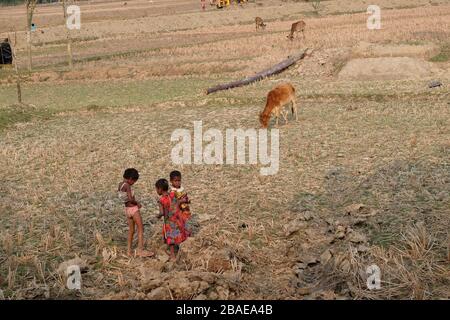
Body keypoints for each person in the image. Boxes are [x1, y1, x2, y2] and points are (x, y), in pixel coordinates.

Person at [118, 168, 153, 257]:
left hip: (127, 209)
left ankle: (129, 250)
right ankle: (140, 250)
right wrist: (138, 203)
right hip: (133, 209)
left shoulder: (120, 185)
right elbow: (130, 198)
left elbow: (125, 198)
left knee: (131, 230)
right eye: (134, 181)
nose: (133, 183)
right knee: (141, 228)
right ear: (130, 179)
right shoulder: (127, 186)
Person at [155, 178, 187, 261]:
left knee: (170, 237)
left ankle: (172, 255)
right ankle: (181, 250)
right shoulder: (172, 195)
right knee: (178, 233)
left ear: (160, 189)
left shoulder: (161, 200)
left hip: (168, 221)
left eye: (156, 189)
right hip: (176, 218)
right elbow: (178, 201)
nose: (156, 191)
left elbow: (162, 213)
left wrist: (158, 216)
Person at [169, 170, 192, 237]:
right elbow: (173, 203)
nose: (177, 183)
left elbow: (185, 197)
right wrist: (181, 201)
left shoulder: (181, 189)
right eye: (175, 181)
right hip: (179, 212)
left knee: (187, 225)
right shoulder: (172, 192)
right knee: (180, 226)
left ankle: (187, 239)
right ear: (171, 181)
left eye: (179, 180)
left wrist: (187, 200)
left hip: (186, 210)